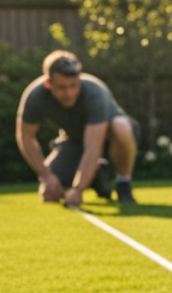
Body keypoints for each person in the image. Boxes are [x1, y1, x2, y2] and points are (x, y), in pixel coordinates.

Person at [16, 50, 140, 207]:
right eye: (62, 88)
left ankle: (123, 184)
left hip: (110, 138)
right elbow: (26, 137)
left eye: (74, 86)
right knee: (50, 193)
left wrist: (78, 189)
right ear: (48, 84)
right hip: (75, 141)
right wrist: (46, 175)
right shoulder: (35, 95)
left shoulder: (95, 92)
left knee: (121, 127)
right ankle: (98, 177)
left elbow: (93, 146)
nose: (69, 93)